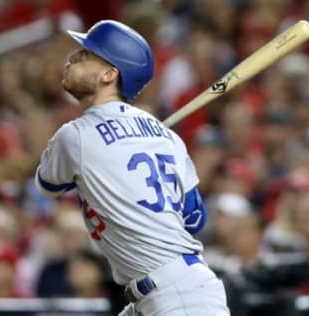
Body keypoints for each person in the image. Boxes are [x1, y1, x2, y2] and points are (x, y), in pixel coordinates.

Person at [35, 20, 229, 315]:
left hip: (180, 296)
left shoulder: (75, 136)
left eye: (86, 55)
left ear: (110, 74)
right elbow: (195, 217)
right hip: (160, 294)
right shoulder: (167, 137)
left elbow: (48, 184)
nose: (72, 58)